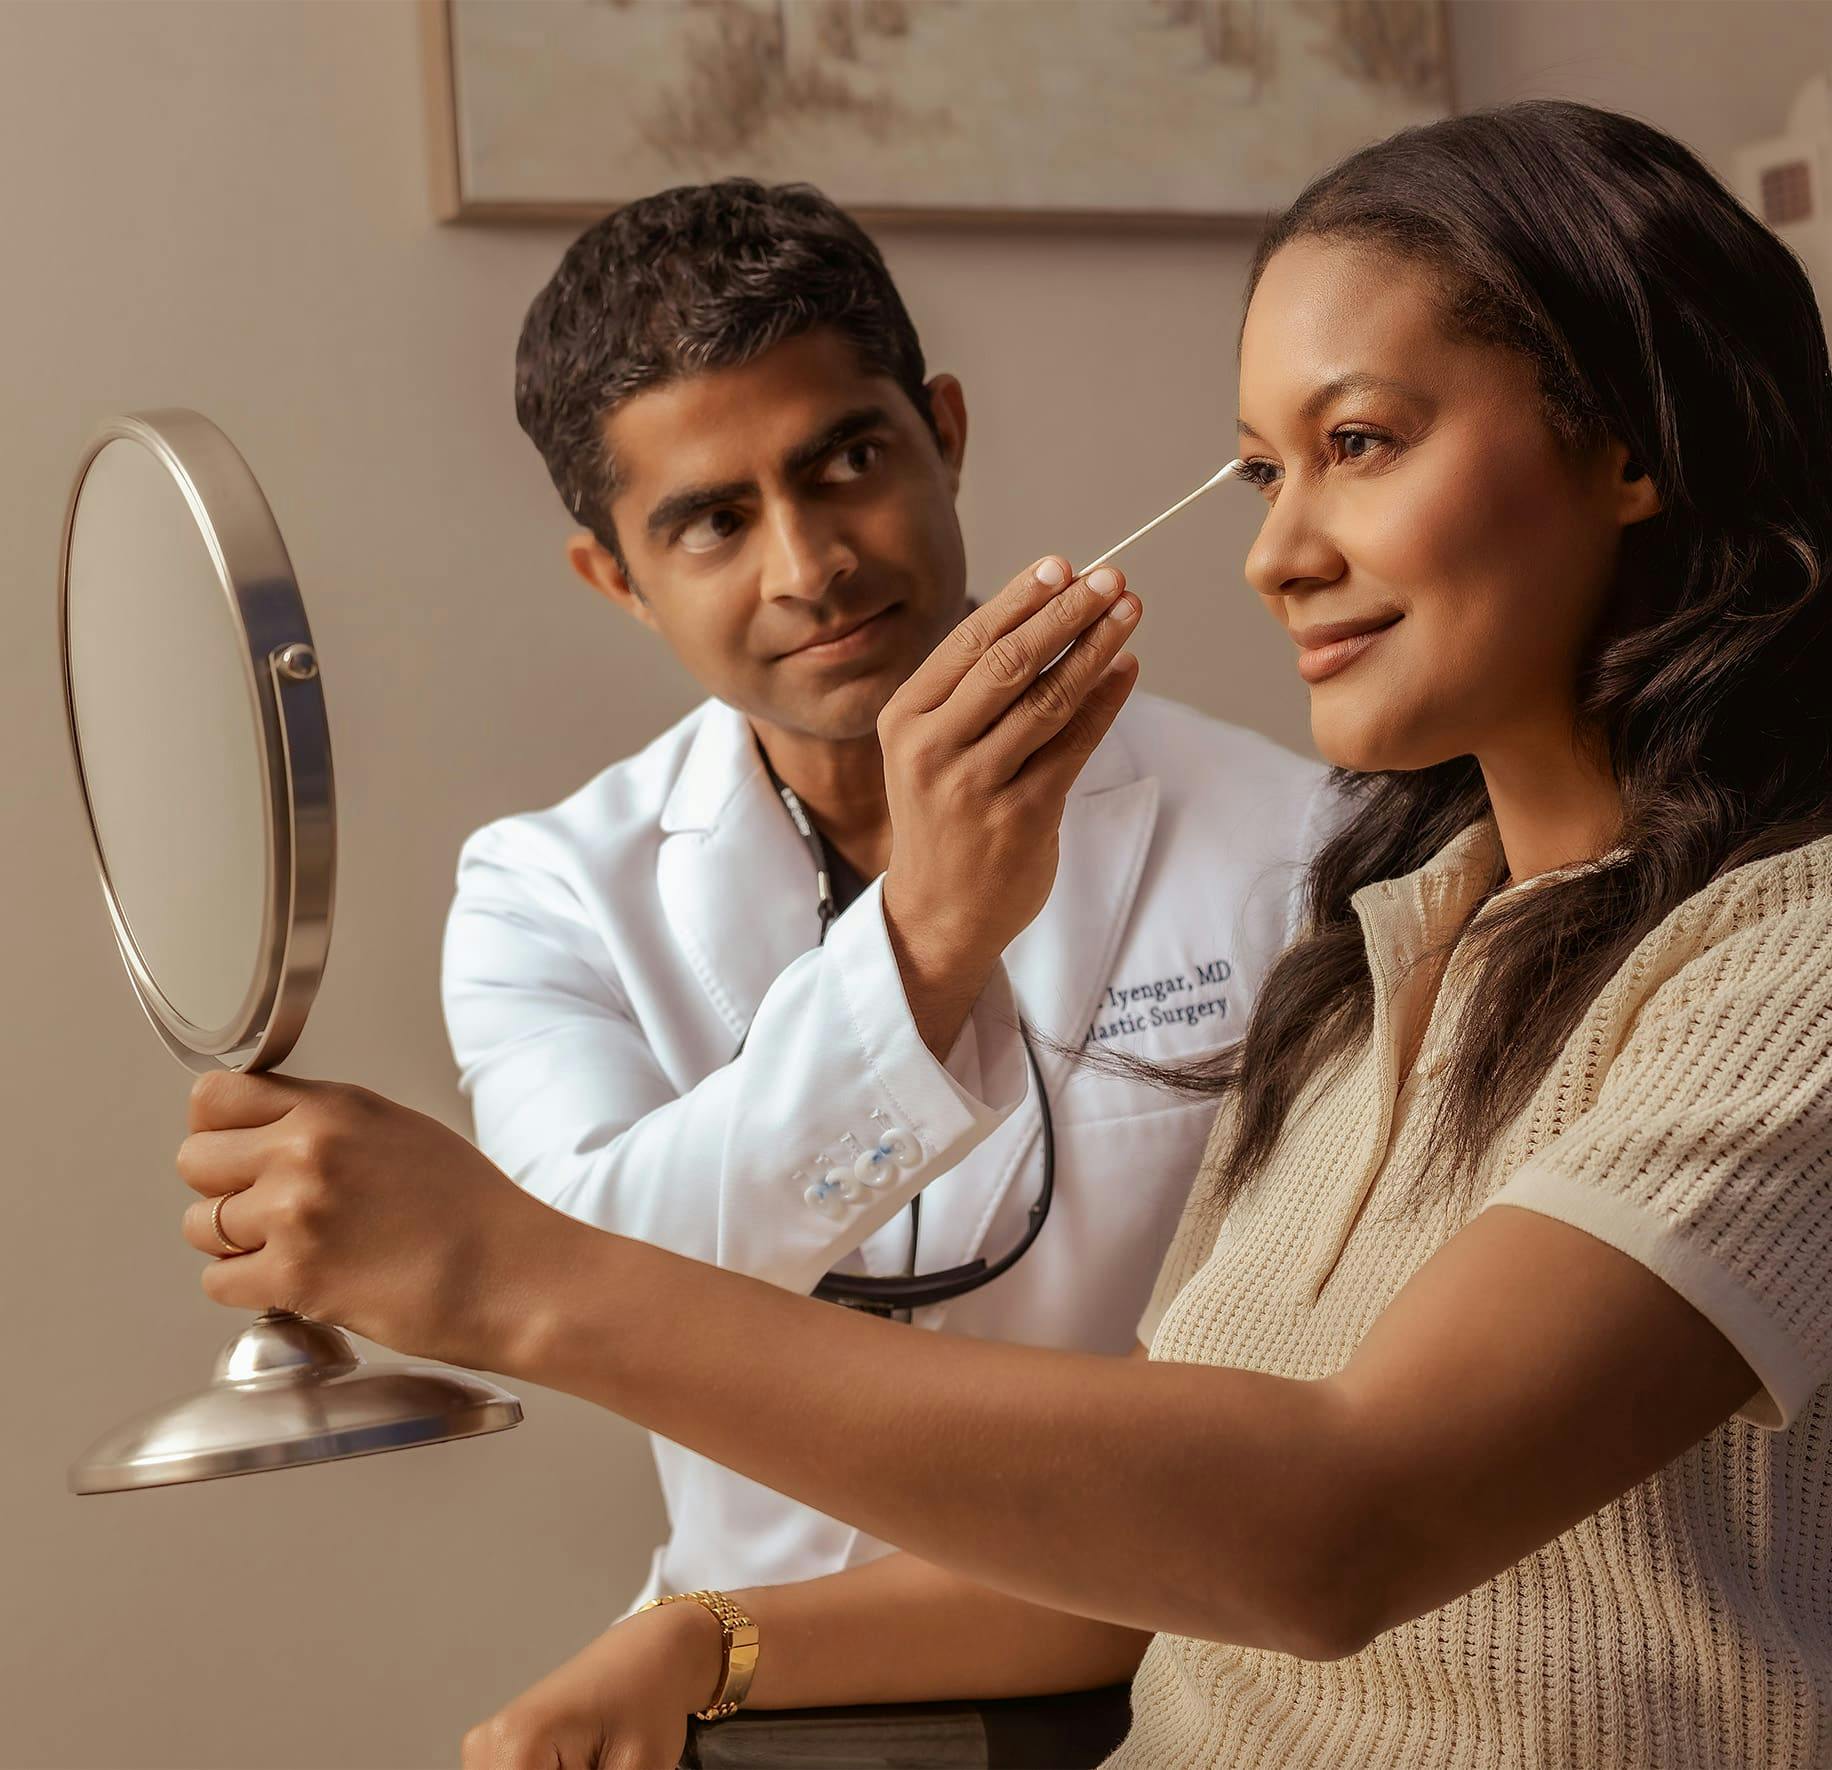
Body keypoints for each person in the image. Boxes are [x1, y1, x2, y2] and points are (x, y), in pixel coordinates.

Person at [177, 98, 1832, 1770]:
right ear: (614, 574)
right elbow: (1168, 1570)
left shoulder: (1740, 962)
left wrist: (511, 1267)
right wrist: (704, 1634)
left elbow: (1331, 1514)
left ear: (1631, 444)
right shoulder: (1387, 948)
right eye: (1262, 471)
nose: (1272, 553)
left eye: (1358, 444)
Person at [441, 180, 1327, 1610]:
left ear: (948, 437)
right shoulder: (546, 896)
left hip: (1197, 1667)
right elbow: (591, 1292)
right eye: (714, 522)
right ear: (616, 577)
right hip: (755, 1682)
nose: (814, 566)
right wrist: (927, 939)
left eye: (848, 459)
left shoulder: (1297, 844)